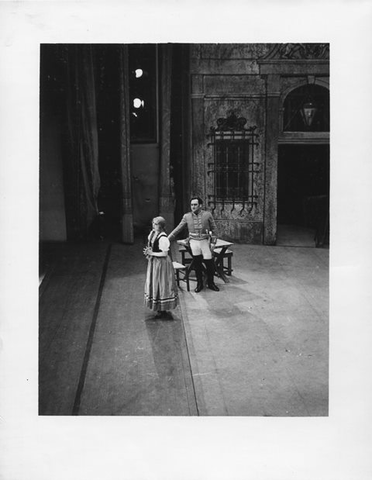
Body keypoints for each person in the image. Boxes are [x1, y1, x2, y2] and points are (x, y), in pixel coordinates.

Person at [168, 196, 219, 293]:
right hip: (194, 241)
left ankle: (211, 283)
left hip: (205, 240)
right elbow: (178, 228)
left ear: (200, 205)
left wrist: (213, 242)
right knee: (197, 263)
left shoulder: (207, 215)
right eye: (192, 205)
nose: (193, 207)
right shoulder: (187, 216)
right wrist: (167, 239)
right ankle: (199, 284)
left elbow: (214, 229)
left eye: (195, 204)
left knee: (210, 263)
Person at [143, 216, 178, 319]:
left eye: (156, 224)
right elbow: (151, 245)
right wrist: (148, 252)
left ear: (161, 226)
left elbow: (164, 253)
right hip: (154, 262)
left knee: (162, 283)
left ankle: (163, 308)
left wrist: (152, 253)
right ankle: (158, 307)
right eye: (153, 223)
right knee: (154, 283)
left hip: (162, 264)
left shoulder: (163, 238)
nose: (154, 225)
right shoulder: (152, 234)